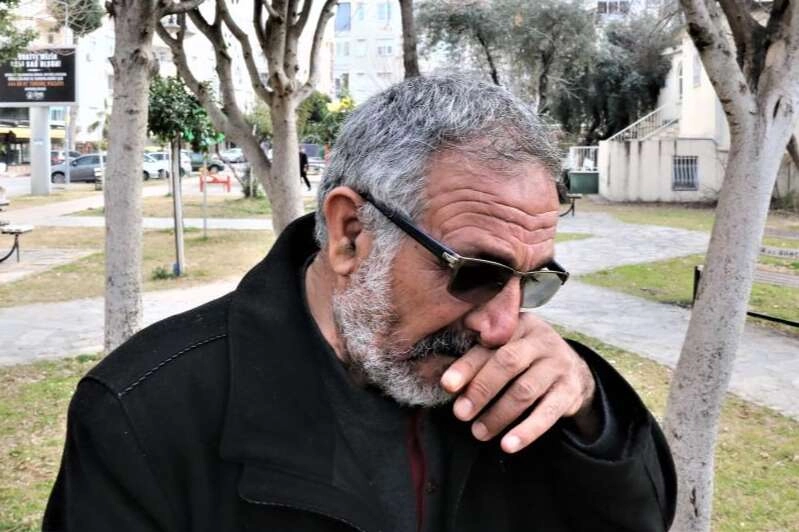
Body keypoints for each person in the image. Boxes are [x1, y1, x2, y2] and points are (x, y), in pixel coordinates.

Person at [44, 75, 676, 531]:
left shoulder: (521, 380)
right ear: (350, 233)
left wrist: (591, 413)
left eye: (533, 280)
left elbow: (637, 518)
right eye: (476, 273)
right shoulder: (144, 411)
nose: (502, 323)